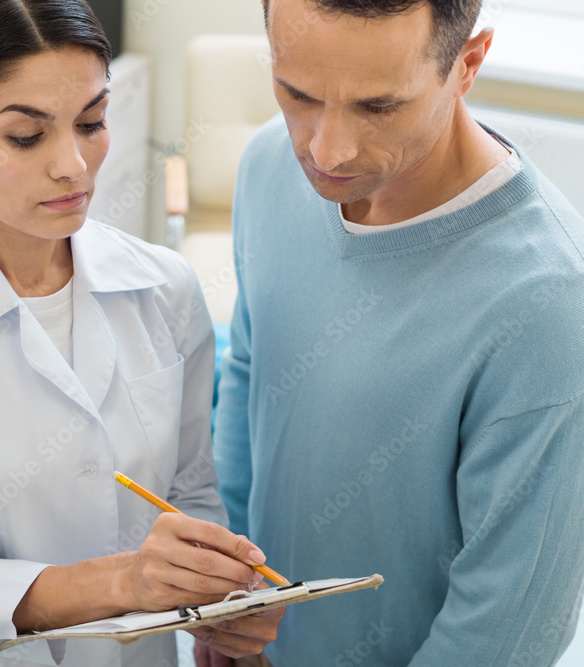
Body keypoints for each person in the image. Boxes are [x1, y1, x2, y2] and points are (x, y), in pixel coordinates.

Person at [0, 1, 284, 665]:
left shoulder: (166, 289)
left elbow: (188, 493)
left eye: (93, 121)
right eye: (25, 136)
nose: (74, 165)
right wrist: (123, 582)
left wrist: (216, 601)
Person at [212, 0, 584, 665]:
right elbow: (248, 374)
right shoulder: (270, 162)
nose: (326, 150)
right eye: (297, 93)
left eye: (378, 107)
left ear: (467, 64)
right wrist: (229, 600)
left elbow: (508, 631)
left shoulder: (548, 303)